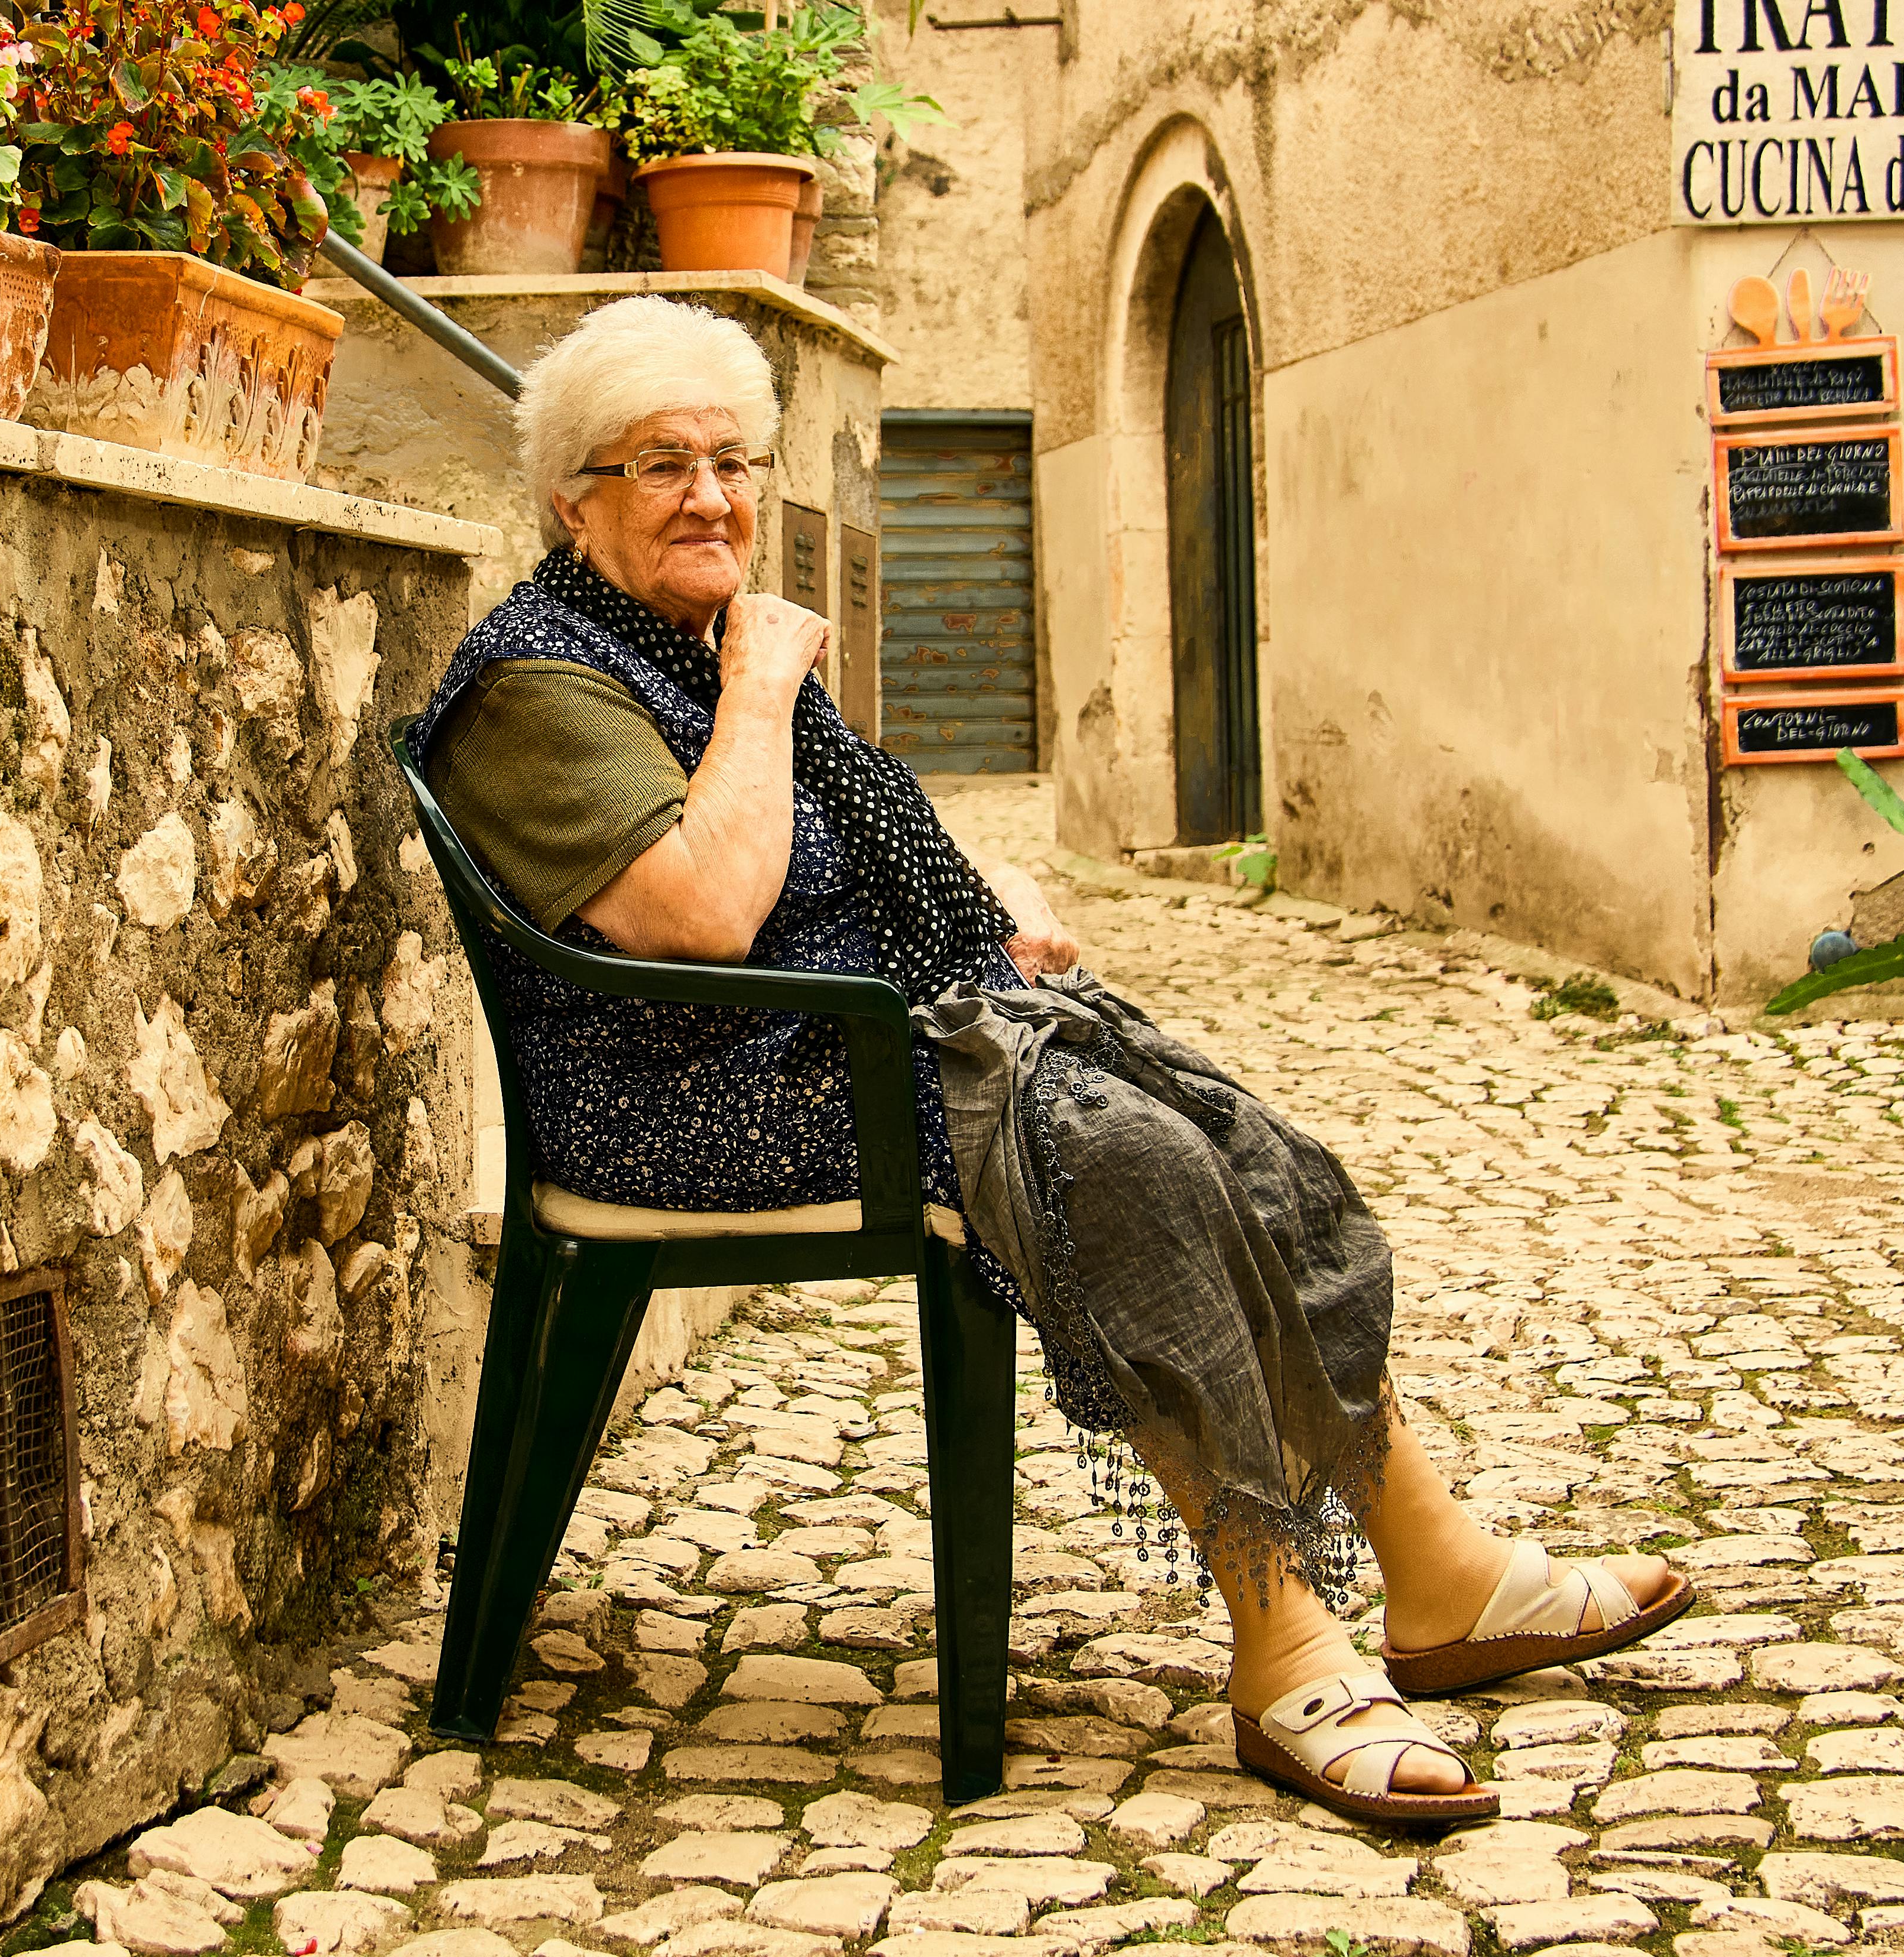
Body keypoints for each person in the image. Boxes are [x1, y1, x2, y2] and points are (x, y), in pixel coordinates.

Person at [415, 297, 1692, 1826]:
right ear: (575, 499)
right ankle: (1282, 1642)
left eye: (730, 462)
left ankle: (1438, 1572)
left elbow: (847, 853)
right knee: (1120, 1158)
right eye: (659, 467)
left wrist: (984, 911)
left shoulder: (669, 641)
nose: (711, 498)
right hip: (690, 1100)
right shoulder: (542, 679)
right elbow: (699, 913)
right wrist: (762, 679)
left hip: (836, 1050)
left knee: (1211, 1128)